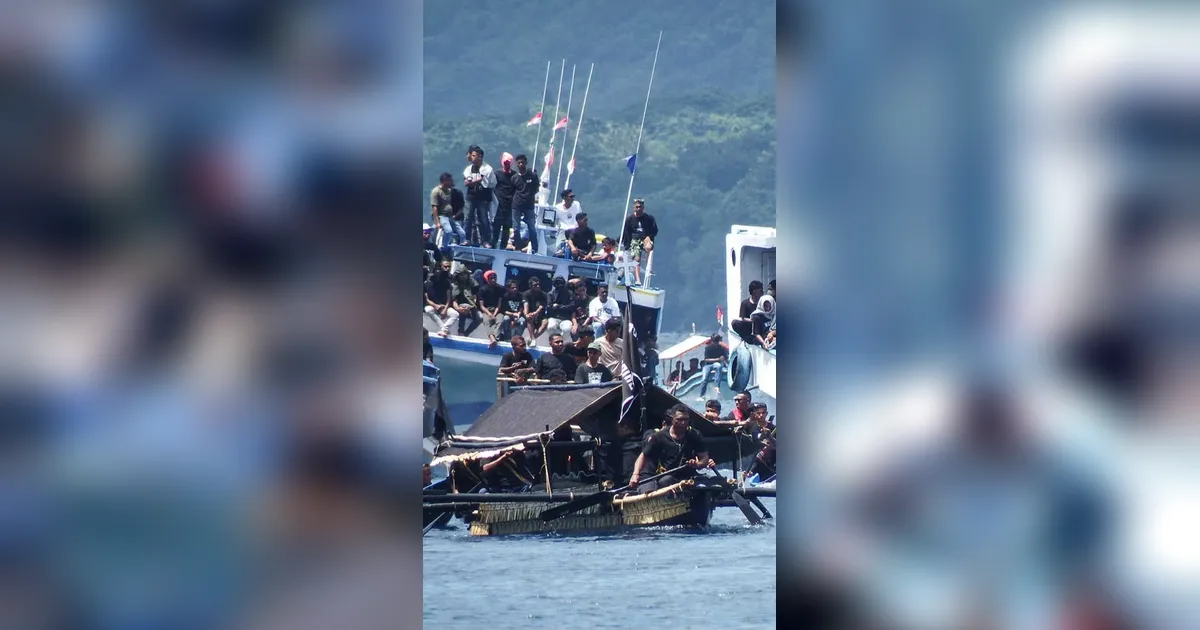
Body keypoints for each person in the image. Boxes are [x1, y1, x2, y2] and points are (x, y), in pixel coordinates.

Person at [630, 404, 708, 489]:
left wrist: (697, 464)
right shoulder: (659, 436)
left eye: (686, 419)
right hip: (667, 477)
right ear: (672, 419)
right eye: (680, 419)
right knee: (666, 481)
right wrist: (635, 474)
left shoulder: (695, 435)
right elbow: (643, 456)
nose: (683, 423)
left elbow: (704, 458)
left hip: (688, 478)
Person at [619, 198, 658, 284]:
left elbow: (654, 230)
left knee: (649, 247)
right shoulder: (630, 219)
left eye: (640, 207)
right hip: (635, 240)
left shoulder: (649, 218)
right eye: (637, 207)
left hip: (645, 239)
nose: (638, 209)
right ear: (634, 208)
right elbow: (626, 232)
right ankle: (638, 279)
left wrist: (649, 237)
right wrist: (626, 244)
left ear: (643, 207)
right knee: (637, 258)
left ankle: (649, 267)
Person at [462, 146, 495, 247]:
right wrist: (472, 181)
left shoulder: (487, 169)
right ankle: (466, 239)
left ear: (480, 156)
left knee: (484, 219)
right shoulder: (468, 169)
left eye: (473, 156)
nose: (471, 158)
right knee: (467, 217)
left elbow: (483, 182)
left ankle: (486, 240)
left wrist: (472, 181)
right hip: (471, 196)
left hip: (483, 197)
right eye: (471, 155)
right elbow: (467, 182)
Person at [510, 154, 539, 253]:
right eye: (519, 163)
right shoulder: (514, 178)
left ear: (526, 163)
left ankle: (535, 248)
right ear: (516, 164)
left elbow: (536, 188)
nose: (521, 165)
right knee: (516, 227)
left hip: (529, 206)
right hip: (517, 205)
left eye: (522, 162)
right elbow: (512, 191)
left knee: (531, 227)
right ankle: (518, 247)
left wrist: (529, 196)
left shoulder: (533, 175)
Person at [430, 172, 466, 247]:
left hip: (450, 216)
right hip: (442, 216)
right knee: (448, 231)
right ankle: (444, 247)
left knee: (462, 233)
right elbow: (434, 207)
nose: (452, 182)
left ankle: (461, 249)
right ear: (445, 181)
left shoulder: (448, 191)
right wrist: (437, 222)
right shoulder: (436, 191)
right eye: (450, 180)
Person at [491, 153, 516, 249]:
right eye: (505, 162)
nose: (507, 164)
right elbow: (492, 186)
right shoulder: (497, 173)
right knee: (496, 228)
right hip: (498, 205)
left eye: (508, 163)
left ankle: (503, 247)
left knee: (506, 228)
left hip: (509, 206)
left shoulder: (514, 175)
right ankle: (493, 246)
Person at [423, 260, 454, 335]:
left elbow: (449, 297)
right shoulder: (428, 283)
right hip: (433, 305)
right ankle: (443, 329)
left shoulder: (447, 282)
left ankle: (443, 330)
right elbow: (426, 298)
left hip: (444, 306)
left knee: (455, 314)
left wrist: (445, 308)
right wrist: (436, 305)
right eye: (445, 267)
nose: (447, 269)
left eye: (449, 267)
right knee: (428, 310)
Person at [476, 270, 505, 348]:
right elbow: (482, 306)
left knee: (500, 320)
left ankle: (495, 338)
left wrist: (494, 314)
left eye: (494, 278)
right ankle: (492, 338)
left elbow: (499, 304)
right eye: (491, 278)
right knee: (486, 320)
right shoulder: (482, 289)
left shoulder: (500, 288)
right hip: (486, 310)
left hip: (497, 310)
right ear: (487, 279)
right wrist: (489, 314)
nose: (493, 279)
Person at [449, 268, 481, 336]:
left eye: (465, 274)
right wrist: (458, 308)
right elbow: (454, 301)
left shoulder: (471, 284)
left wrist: (473, 303)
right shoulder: (455, 286)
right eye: (461, 275)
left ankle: (466, 334)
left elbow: (474, 296)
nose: (463, 276)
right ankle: (461, 332)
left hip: (472, 306)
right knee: (464, 307)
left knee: (479, 318)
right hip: (460, 306)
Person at [697, 333, 729, 400]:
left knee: (718, 366)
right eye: (715, 341)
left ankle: (717, 386)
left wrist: (724, 360)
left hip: (716, 364)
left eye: (717, 341)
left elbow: (725, 358)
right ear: (712, 341)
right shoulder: (708, 348)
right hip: (708, 365)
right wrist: (717, 359)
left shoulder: (721, 348)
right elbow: (706, 359)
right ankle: (702, 395)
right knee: (704, 379)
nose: (716, 342)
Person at [522, 276, 548, 342]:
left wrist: (535, 313)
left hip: (540, 316)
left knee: (545, 322)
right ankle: (533, 339)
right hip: (531, 315)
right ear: (530, 286)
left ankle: (533, 338)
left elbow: (541, 307)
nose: (538, 286)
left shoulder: (544, 294)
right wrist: (526, 314)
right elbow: (526, 304)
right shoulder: (526, 294)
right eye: (535, 285)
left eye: (539, 284)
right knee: (529, 318)